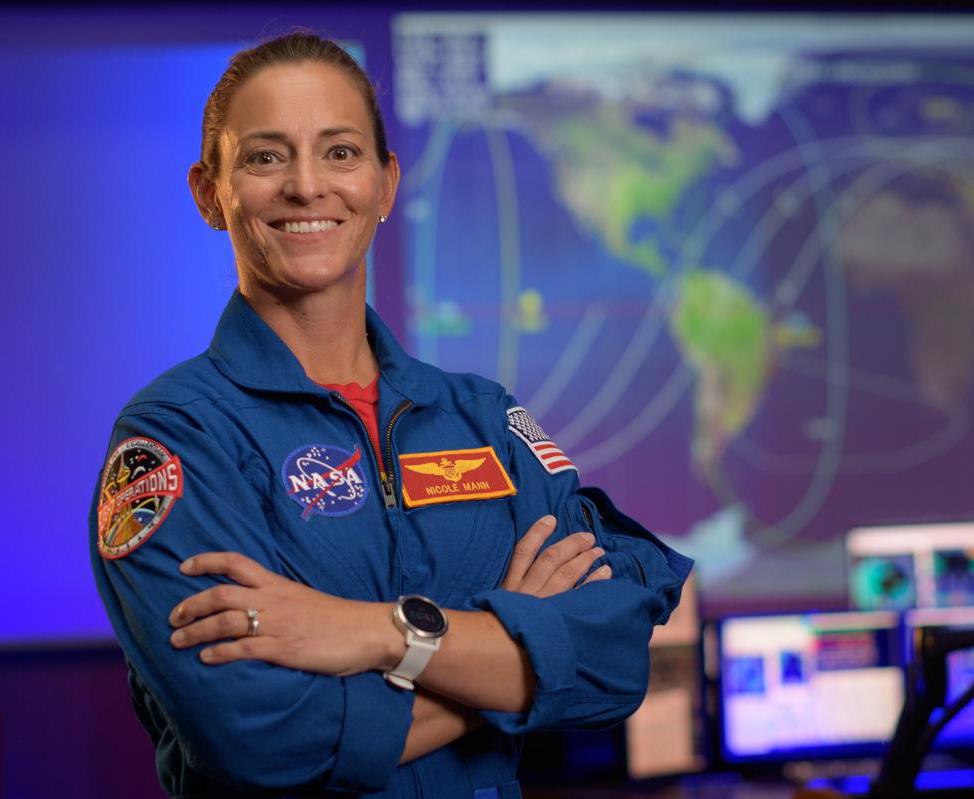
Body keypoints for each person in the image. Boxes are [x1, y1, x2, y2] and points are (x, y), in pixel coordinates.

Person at [89, 31, 692, 799]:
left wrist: (374, 630)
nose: (308, 186)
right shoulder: (174, 440)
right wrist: (512, 663)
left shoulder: (478, 415)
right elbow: (258, 735)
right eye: (266, 156)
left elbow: (617, 653)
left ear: (385, 183)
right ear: (211, 193)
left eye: (339, 152)